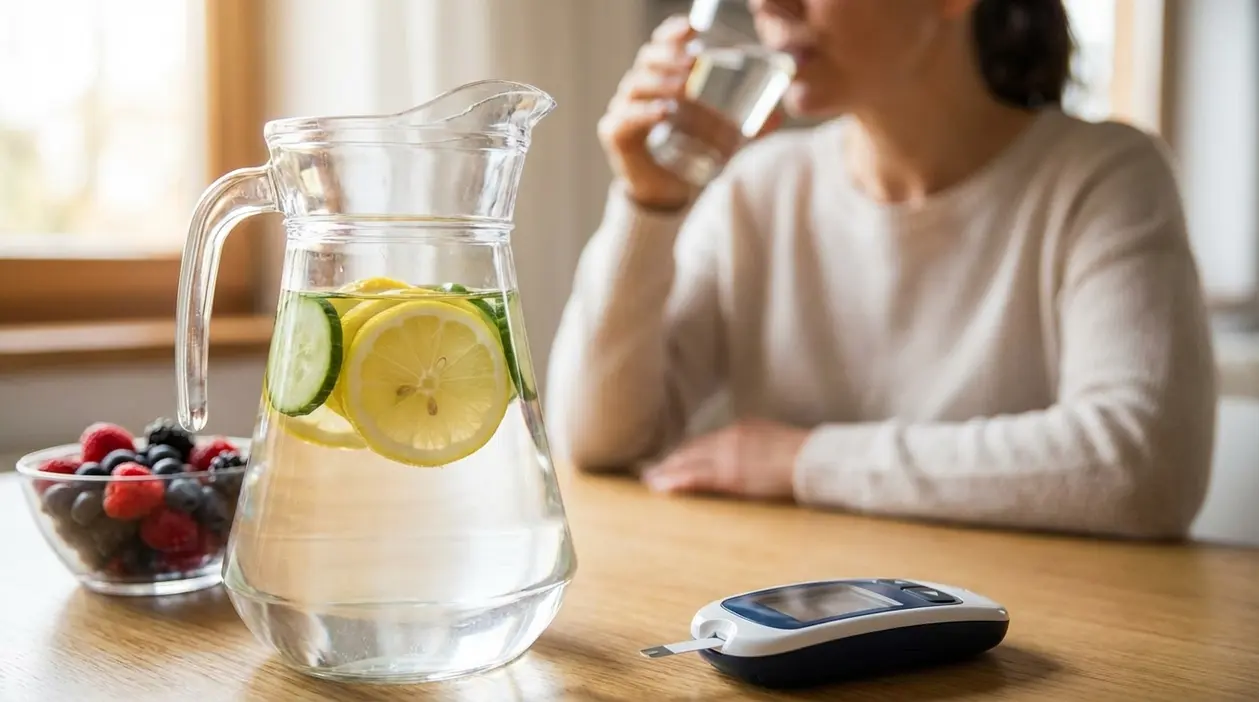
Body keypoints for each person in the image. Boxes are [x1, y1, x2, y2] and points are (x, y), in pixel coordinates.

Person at [544, 0, 1218, 539]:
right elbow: (597, 438)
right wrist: (650, 204)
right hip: (802, 616)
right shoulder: (760, 188)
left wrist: (801, 461)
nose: (766, 5)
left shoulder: (1104, 177)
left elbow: (1142, 468)